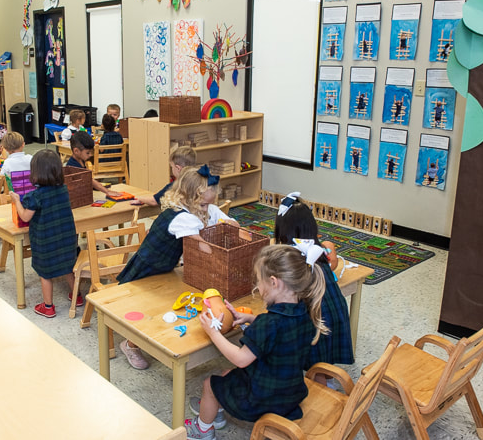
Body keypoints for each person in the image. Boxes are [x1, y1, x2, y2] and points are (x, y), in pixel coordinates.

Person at [184, 243, 328, 439]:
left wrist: (213, 333)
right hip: (290, 392)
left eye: (259, 281)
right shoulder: (305, 312)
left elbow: (241, 359)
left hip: (263, 398)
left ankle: (202, 430)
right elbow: (279, 333)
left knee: (210, 383)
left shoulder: (269, 323)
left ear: (274, 282)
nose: (257, 286)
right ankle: (215, 413)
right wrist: (251, 319)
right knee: (227, 375)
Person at [116, 165, 216, 369]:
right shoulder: (183, 218)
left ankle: (152, 338)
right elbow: (203, 248)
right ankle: (130, 344)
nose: (207, 210)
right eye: (204, 206)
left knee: (164, 304)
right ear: (191, 199)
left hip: (163, 266)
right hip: (149, 268)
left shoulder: (183, 209)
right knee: (146, 309)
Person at [274, 193, 354, 372]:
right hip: (335, 316)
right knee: (322, 360)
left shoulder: (294, 258)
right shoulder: (316, 250)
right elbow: (333, 263)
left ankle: (321, 384)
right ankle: (325, 376)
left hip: (317, 324)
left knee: (307, 349)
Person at [12, 149, 79, 318]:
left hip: (45, 240)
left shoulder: (36, 196)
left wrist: (17, 201)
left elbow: (25, 217)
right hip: (66, 237)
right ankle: (77, 296)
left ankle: (48, 306)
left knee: (45, 273)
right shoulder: (63, 189)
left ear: (35, 172)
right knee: (68, 267)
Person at [65, 132, 120, 197]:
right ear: (76, 151)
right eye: (87, 153)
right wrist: (107, 191)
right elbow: (90, 180)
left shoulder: (81, 160)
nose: (90, 155)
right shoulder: (73, 166)